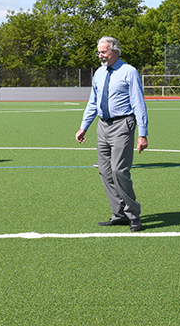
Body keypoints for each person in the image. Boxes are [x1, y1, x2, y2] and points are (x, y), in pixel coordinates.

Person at [76, 37, 148, 232]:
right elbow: (93, 102)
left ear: (115, 51)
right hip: (103, 126)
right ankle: (119, 213)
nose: (100, 56)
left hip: (123, 124)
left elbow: (138, 103)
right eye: (99, 52)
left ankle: (133, 214)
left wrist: (143, 133)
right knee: (105, 171)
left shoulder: (129, 72)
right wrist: (84, 126)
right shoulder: (99, 73)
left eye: (104, 52)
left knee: (119, 171)